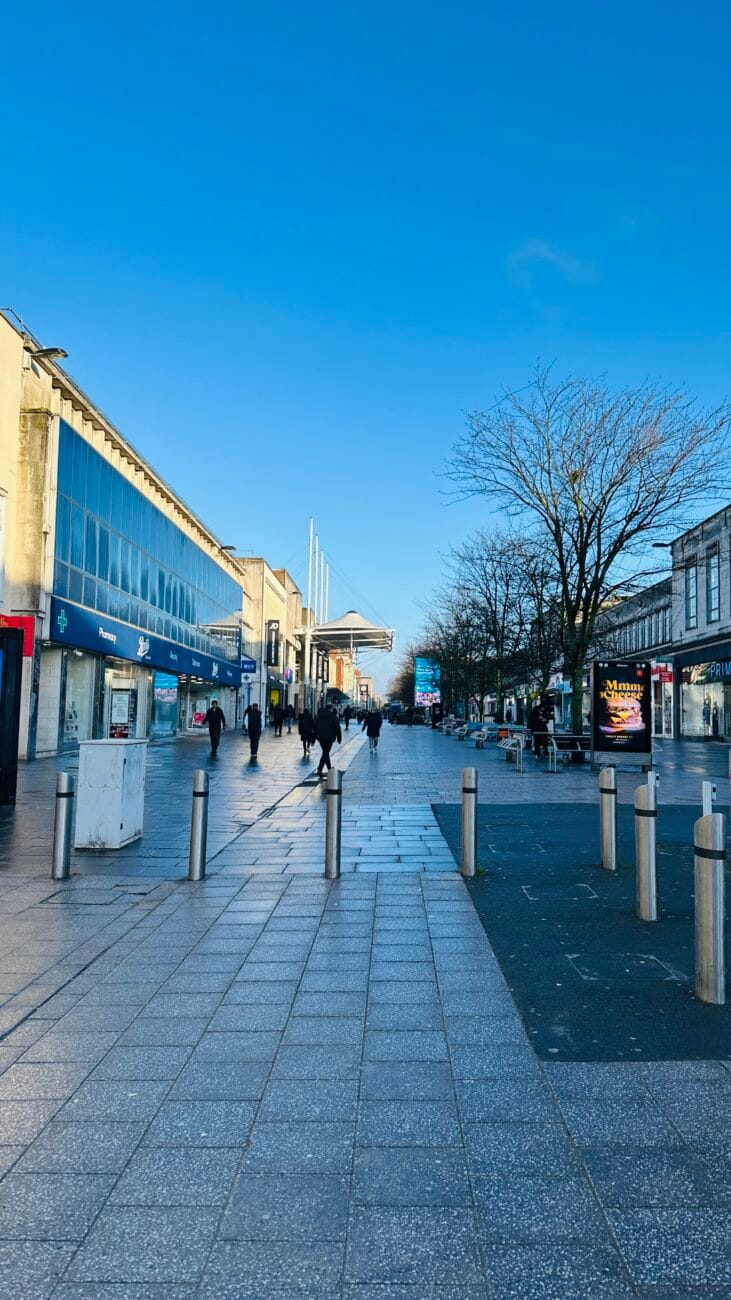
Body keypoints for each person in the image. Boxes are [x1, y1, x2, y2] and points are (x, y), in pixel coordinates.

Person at [314, 705, 342, 777]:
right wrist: (339, 737)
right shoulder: (333, 716)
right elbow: (337, 727)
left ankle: (327, 768)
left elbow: (315, 727)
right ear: (331, 709)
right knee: (326, 752)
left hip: (320, 737)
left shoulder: (319, 716)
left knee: (325, 752)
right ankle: (322, 768)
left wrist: (314, 737)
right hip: (329, 737)